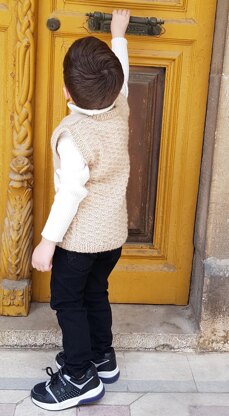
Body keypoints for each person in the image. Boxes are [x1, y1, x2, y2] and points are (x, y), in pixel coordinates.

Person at [31, 9, 130, 412]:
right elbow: (120, 72)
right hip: (113, 236)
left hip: (80, 241)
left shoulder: (73, 136)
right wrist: (118, 38)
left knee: (68, 302)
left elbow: (70, 194)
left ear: (67, 94)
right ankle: (102, 358)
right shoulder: (120, 105)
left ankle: (79, 376)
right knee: (96, 292)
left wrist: (46, 243)